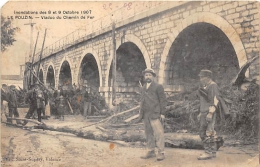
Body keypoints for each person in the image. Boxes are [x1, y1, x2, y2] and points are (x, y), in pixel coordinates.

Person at [136, 68, 167, 161]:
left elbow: (163, 101)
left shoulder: (158, 87)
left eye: (150, 75)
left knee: (159, 133)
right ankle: (151, 151)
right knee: (148, 133)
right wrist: (140, 112)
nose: (148, 77)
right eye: (146, 75)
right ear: (144, 77)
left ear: (153, 77)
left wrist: (162, 113)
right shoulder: (143, 87)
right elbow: (142, 101)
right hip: (146, 114)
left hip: (155, 114)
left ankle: (161, 152)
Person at [196, 69, 226, 160]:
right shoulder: (206, 86)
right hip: (204, 112)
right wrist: (200, 113)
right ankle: (212, 152)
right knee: (209, 132)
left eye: (202, 77)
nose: (200, 79)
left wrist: (210, 113)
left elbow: (215, 100)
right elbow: (203, 101)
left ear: (208, 78)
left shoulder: (213, 86)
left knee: (207, 132)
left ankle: (208, 152)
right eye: (200, 77)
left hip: (209, 113)